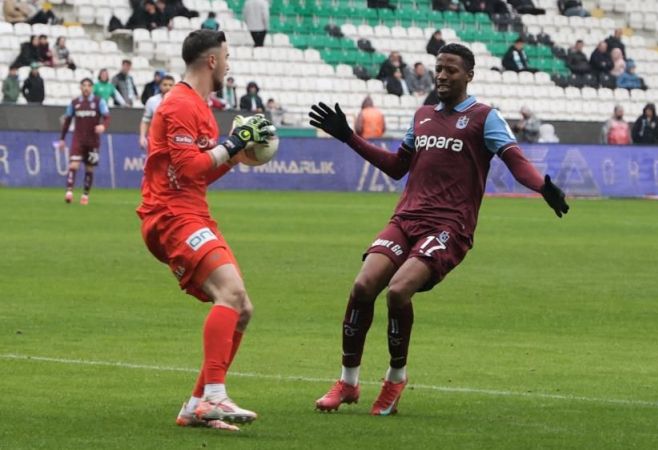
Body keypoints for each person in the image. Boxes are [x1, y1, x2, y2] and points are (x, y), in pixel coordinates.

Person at [308, 43, 569, 416]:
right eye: (439, 69)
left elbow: (515, 161)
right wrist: (349, 137)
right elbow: (398, 166)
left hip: (450, 226)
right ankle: (348, 383)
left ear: (469, 75)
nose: (442, 75)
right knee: (363, 286)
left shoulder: (485, 117)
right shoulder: (423, 115)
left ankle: (395, 378)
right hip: (406, 218)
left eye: (451, 70)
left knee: (398, 291)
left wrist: (542, 186)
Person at [137, 29, 273, 431]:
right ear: (211, 61)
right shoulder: (177, 104)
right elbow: (190, 168)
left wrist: (235, 155)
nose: (229, 64)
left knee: (242, 310)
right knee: (230, 294)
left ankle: (196, 404)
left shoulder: (199, 106)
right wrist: (232, 144)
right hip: (171, 216)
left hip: (190, 212)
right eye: (226, 56)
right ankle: (214, 397)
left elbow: (201, 176)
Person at [57, 78, 110, 205]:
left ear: (92, 88)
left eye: (88, 86)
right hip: (78, 139)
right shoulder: (74, 103)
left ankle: (85, 195)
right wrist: (62, 139)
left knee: (89, 168)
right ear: (80, 88)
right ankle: (69, 192)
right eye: (84, 86)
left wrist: (103, 126)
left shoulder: (99, 101)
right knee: (73, 165)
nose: (86, 88)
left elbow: (107, 117)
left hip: (93, 141)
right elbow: (67, 121)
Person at [139, 74, 175, 149]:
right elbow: (145, 121)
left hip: (174, 140)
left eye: (170, 85)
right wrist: (142, 137)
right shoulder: (152, 101)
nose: (168, 87)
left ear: (174, 87)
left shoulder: (180, 102)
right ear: (160, 86)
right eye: (165, 85)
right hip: (156, 140)